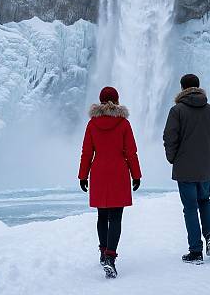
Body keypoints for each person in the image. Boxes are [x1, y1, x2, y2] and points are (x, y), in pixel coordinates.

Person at [78, 86, 142, 279]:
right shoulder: (123, 123)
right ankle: (110, 258)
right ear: (117, 100)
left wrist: (83, 175)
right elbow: (131, 152)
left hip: (98, 172)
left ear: (100, 100)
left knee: (101, 216)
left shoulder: (92, 124)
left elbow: (87, 152)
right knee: (115, 217)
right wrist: (136, 175)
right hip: (119, 173)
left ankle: (103, 251)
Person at [163, 74, 210, 264]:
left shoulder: (177, 111)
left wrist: (172, 158)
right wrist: (209, 155)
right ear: (198, 87)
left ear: (182, 88)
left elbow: (169, 138)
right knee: (205, 201)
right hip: (205, 168)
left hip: (184, 168)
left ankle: (196, 251)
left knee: (190, 207)